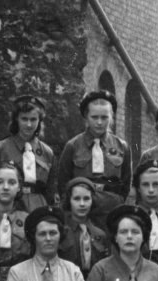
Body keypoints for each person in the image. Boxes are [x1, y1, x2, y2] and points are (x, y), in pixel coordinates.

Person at [57, 90, 132, 229]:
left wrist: (116, 201)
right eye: (94, 117)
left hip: (110, 209)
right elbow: (63, 183)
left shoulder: (122, 147)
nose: (99, 122)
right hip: (82, 209)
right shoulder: (73, 146)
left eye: (104, 117)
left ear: (111, 117)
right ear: (86, 117)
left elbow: (126, 184)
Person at [0, 95, 58, 211]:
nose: (29, 125)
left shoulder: (47, 152)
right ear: (16, 119)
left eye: (33, 119)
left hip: (39, 205)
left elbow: (51, 189)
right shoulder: (1, 148)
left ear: (39, 121)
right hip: (11, 205)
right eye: (24, 119)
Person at [58, 177, 109, 277]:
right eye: (77, 199)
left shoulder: (99, 234)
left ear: (92, 201)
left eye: (86, 199)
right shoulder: (61, 232)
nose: (82, 204)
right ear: (69, 201)